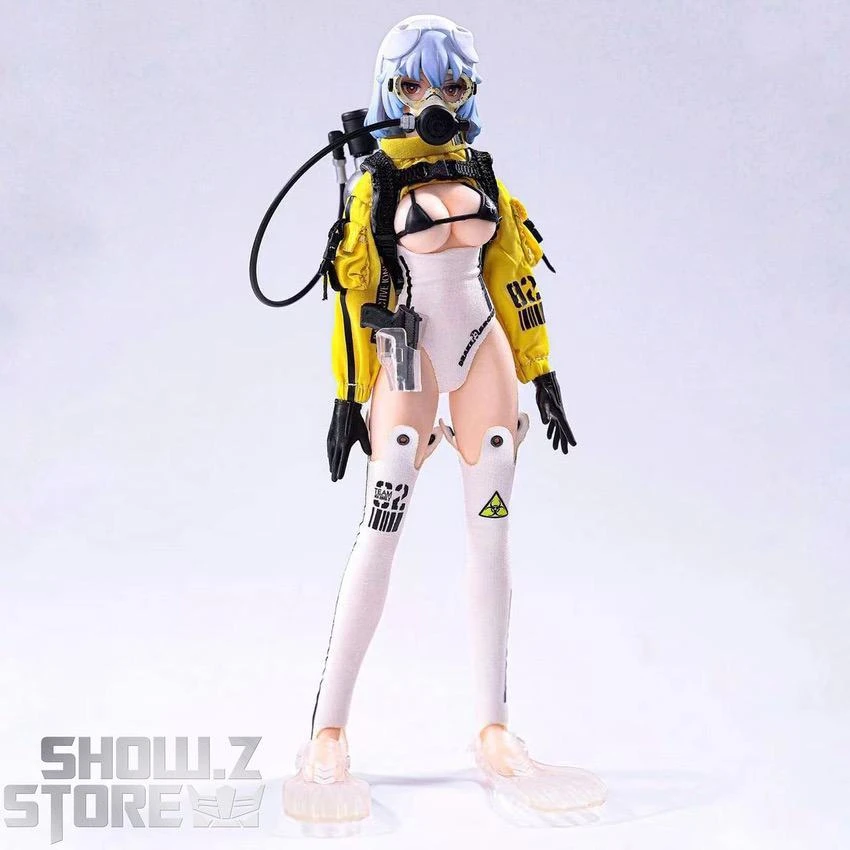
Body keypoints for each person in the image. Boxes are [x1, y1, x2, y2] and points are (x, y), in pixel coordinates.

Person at [283, 14, 605, 824]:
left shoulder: (481, 172)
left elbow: (515, 278)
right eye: (415, 83)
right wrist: (346, 394)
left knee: (492, 533)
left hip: (482, 352)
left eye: (453, 84)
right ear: (390, 89)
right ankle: (327, 734)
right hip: (409, 358)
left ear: (471, 91)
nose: (435, 98)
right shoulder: (375, 183)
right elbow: (353, 298)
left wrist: (543, 371)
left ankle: (494, 730)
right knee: (380, 527)